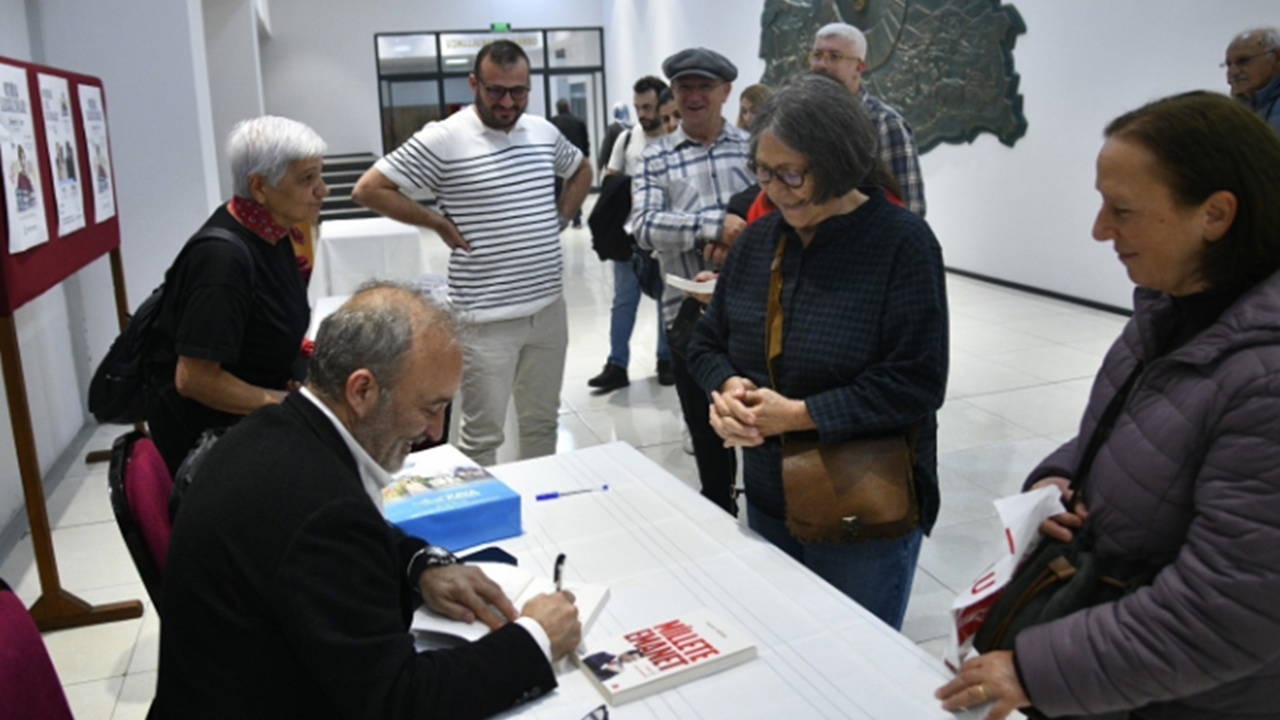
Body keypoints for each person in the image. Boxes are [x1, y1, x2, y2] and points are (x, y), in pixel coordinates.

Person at [936, 91, 1280, 720]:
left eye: (1122, 209)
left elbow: (1230, 611)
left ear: (1216, 213)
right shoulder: (1166, 310)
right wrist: (1058, 480)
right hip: (1121, 671)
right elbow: (1125, 435)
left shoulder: (1264, 377)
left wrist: (1035, 670)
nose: (1099, 230)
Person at [150, 283, 581, 719]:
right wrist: (535, 640)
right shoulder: (322, 510)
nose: (434, 431)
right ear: (362, 391)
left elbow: (354, 541)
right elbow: (399, 702)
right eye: (430, 408)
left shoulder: (278, 429)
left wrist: (422, 566)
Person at [687, 73, 947, 628]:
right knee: (783, 646)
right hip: (767, 490)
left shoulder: (901, 243)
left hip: (859, 506)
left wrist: (800, 416)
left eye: (792, 174)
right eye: (763, 172)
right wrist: (728, 387)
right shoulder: (760, 240)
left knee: (856, 660)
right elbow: (707, 339)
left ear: (839, 160)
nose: (775, 190)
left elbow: (917, 381)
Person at [353, 40, 592, 466]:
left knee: (541, 423)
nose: (507, 102)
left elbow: (581, 169)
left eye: (518, 92)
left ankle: (543, 512)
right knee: (482, 437)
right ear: (473, 84)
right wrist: (437, 222)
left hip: (548, 311)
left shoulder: (542, 131)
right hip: (484, 322)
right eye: (495, 90)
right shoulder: (445, 138)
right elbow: (369, 189)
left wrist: (558, 217)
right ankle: (489, 526)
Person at [144, 115, 322, 475]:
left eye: (319, 175)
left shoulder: (273, 232)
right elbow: (194, 379)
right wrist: (287, 403)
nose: (323, 189)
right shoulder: (221, 261)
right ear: (259, 187)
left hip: (254, 424)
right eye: (307, 179)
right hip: (216, 448)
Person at [631, 47, 754, 515]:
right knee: (707, 433)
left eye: (705, 87)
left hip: (753, 309)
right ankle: (721, 515)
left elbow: (775, 216)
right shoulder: (655, 158)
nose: (695, 96)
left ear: (725, 92)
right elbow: (642, 226)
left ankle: (764, 521)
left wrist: (738, 236)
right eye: (685, 88)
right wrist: (712, 226)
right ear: (674, 96)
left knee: (756, 419)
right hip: (688, 317)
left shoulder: (753, 149)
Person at [587, 75, 675, 393]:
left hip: (665, 235)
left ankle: (666, 360)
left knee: (666, 299)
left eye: (648, 107)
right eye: (638, 107)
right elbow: (611, 175)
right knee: (624, 300)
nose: (642, 114)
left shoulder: (673, 137)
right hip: (628, 235)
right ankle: (616, 364)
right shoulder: (627, 139)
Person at [809, 22, 926, 216]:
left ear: (859, 66)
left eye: (834, 57)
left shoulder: (884, 123)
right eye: (817, 55)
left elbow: (910, 209)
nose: (821, 64)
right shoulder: (803, 119)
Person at [1224, 27, 1280, 132]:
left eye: (1243, 61)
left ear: (1276, 58)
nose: (1233, 72)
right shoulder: (1231, 110)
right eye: (1228, 64)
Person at [550, 97, 590, 227]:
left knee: (557, 189)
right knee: (574, 188)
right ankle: (576, 219)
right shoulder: (579, 122)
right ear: (568, 107)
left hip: (557, 161)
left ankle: (557, 217)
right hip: (575, 160)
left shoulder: (552, 122)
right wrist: (585, 157)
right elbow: (585, 142)